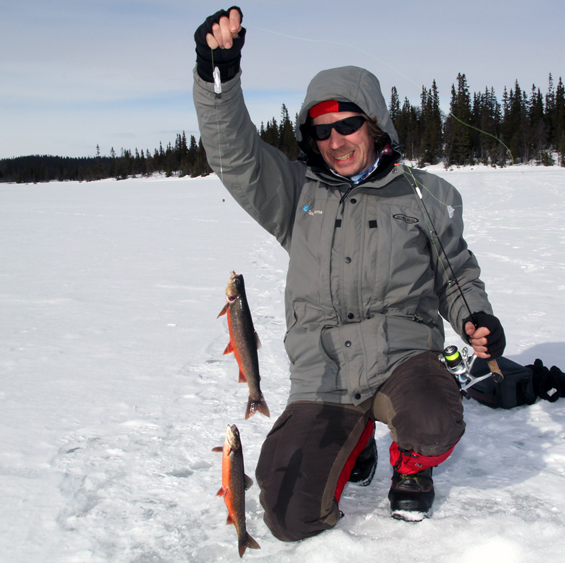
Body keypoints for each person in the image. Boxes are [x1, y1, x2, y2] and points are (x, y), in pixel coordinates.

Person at [193, 7, 506, 541]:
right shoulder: (296, 195)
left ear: (375, 123)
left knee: (433, 422)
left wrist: (475, 316)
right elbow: (235, 158)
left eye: (347, 125)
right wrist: (217, 75)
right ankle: (354, 440)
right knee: (290, 517)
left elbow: (455, 272)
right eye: (321, 132)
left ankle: (411, 468)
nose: (335, 141)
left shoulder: (424, 194)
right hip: (325, 373)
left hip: (404, 357)